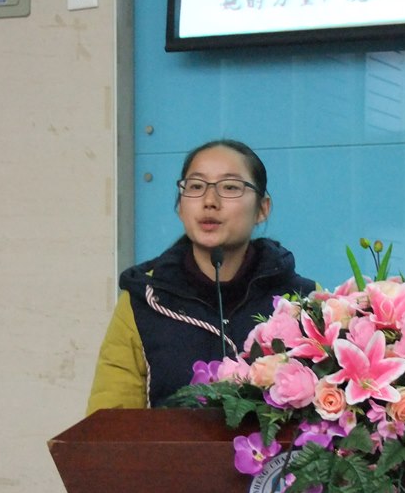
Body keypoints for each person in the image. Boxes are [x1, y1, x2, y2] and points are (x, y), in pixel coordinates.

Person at [86, 139, 316, 414]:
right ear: (180, 207)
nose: (210, 202)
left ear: (262, 208)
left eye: (230, 187)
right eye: (196, 187)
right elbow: (110, 426)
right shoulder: (144, 301)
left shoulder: (304, 302)